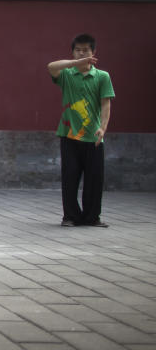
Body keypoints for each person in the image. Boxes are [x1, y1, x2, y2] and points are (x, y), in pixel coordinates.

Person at [47, 33, 114, 227]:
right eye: (78, 50)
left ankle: (92, 217)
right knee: (70, 177)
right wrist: (75, 62)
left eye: (86, 50)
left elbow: (106, 104)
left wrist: (103, 128)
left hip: (93, 136)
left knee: (94, 179)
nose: (81, 53)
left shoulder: (102, 77)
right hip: (69, 134)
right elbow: (51, 67)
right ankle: (70, 217)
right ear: (72, 52)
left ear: (94, 52)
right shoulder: (67, 75)